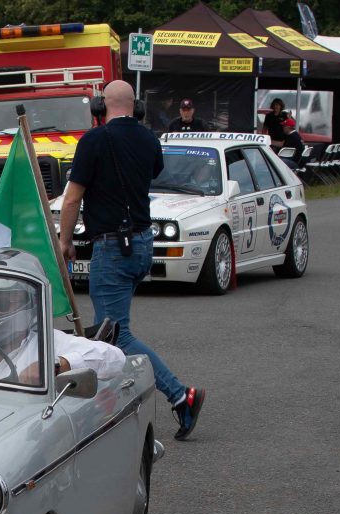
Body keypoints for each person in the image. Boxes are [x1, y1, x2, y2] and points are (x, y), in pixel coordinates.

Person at [60, 80, 205, 440]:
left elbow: (71, 199)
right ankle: (109, 409)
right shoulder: (149, 139)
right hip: (142, 242)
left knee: (114, 336)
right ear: (135, 107)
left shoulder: (93, 141)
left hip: (112, 246)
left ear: (100, 106)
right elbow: (151, 173)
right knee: (109, 335)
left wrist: (64, 240)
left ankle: (180, 395)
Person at [0, 262, 126, 384]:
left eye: (2, 302)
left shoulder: (50, 345)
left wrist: (58, 366)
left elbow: (115, 358)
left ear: (29, 302)